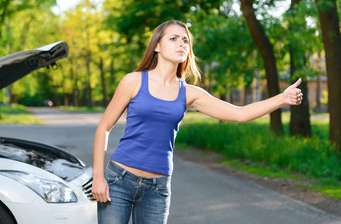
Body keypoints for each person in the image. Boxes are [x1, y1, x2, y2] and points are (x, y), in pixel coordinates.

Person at [92, 20, 303, 224]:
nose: (181, 44)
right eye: (173, 38)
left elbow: (240, 113)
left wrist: (282, 99)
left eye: (185, 40)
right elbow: (104, 127)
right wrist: (98, 177)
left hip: (157, 189)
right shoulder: (133, 81)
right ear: (157, 45)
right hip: (119, 181)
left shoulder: (190, 94)